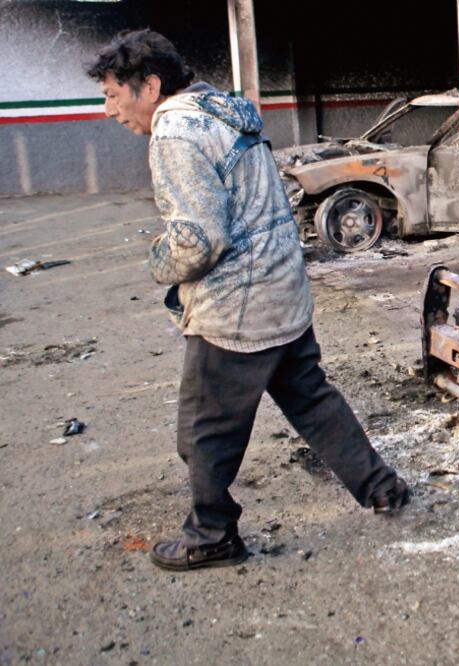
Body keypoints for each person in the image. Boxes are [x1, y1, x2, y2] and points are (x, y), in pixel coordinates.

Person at [87, 29, 410, 572]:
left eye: (113, 94)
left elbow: (198, 240)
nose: (109, 109)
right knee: (313, 401)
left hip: (235, 309)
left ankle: (211, 532)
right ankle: (384, 490)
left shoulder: (175, 132)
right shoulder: (226, 112)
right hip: (283, 291)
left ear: (148, 85)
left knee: (203, 430)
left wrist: (158, 262)